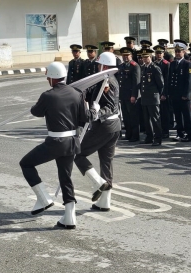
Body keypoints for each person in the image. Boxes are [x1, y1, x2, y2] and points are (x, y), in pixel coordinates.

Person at [20, 62, 88, 229]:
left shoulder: (48, 95)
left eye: (48, 77)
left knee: (26, 163)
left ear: (51, 78)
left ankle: (44, 198)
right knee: (65, 177)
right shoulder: (77, 93)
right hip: (71, 142)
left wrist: (33, 107)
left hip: (55, 142)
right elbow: (83, 118)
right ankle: (70, 217)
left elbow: (36, 112)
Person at [74, 52, 120, 211]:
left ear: (105, 66)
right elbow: (89, 90)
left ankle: (98, 183)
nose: (97, 67)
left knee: (77, 154)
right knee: (106, 162)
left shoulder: (107, 82)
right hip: (114, 126)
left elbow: (109, 107)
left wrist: (95, 112)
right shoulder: (106, 80)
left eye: (99, 65)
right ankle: (105, 202)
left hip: (105, 125)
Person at [168, 41, 191, 142]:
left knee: (187, 115)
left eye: (179, 51)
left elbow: (189, 80)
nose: (178, 53)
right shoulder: (173, 64)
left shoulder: (188, 64)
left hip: (184, 95)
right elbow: (170, 79)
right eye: (176, 51)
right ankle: (180, 133)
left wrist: (186, 94)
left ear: (184, 52)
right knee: (177, 115)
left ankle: (189, 134)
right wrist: (170, 92)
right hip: (175, 94)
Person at [139, 48, 165, 146]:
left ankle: (158, 138)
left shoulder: (155, 68)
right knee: (146, 119)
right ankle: (149, 137)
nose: (145, 59)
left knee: (155, 119)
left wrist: (158, 94)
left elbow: (160, 84)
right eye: (143, 57)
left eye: (147, 57)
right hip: (145, 97)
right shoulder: (143, 68)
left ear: (150, 57)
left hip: (153, 97)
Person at [117, 47, 141, 142]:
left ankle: (135, 135)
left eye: (127, 55)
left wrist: (134, 95)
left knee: (133, 116)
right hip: (123, 95)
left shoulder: (134, 66)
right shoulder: (121, 66)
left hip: (131, 95)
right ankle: (128, 134)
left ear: (131, 55)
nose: (125, 57)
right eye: (124, 55)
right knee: (126, 116)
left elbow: (136, 82)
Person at [154, 45, 172, 139]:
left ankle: (165, 131)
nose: (159, 55)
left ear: (163, 54)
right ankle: (158, 130)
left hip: (163, 92)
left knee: (164, 113)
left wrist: (164, 93)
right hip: (155, 92)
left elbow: (167, 80)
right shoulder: (154, 63)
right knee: (157, 113)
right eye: (157, 53)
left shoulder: (166, 64)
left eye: (160, 53)